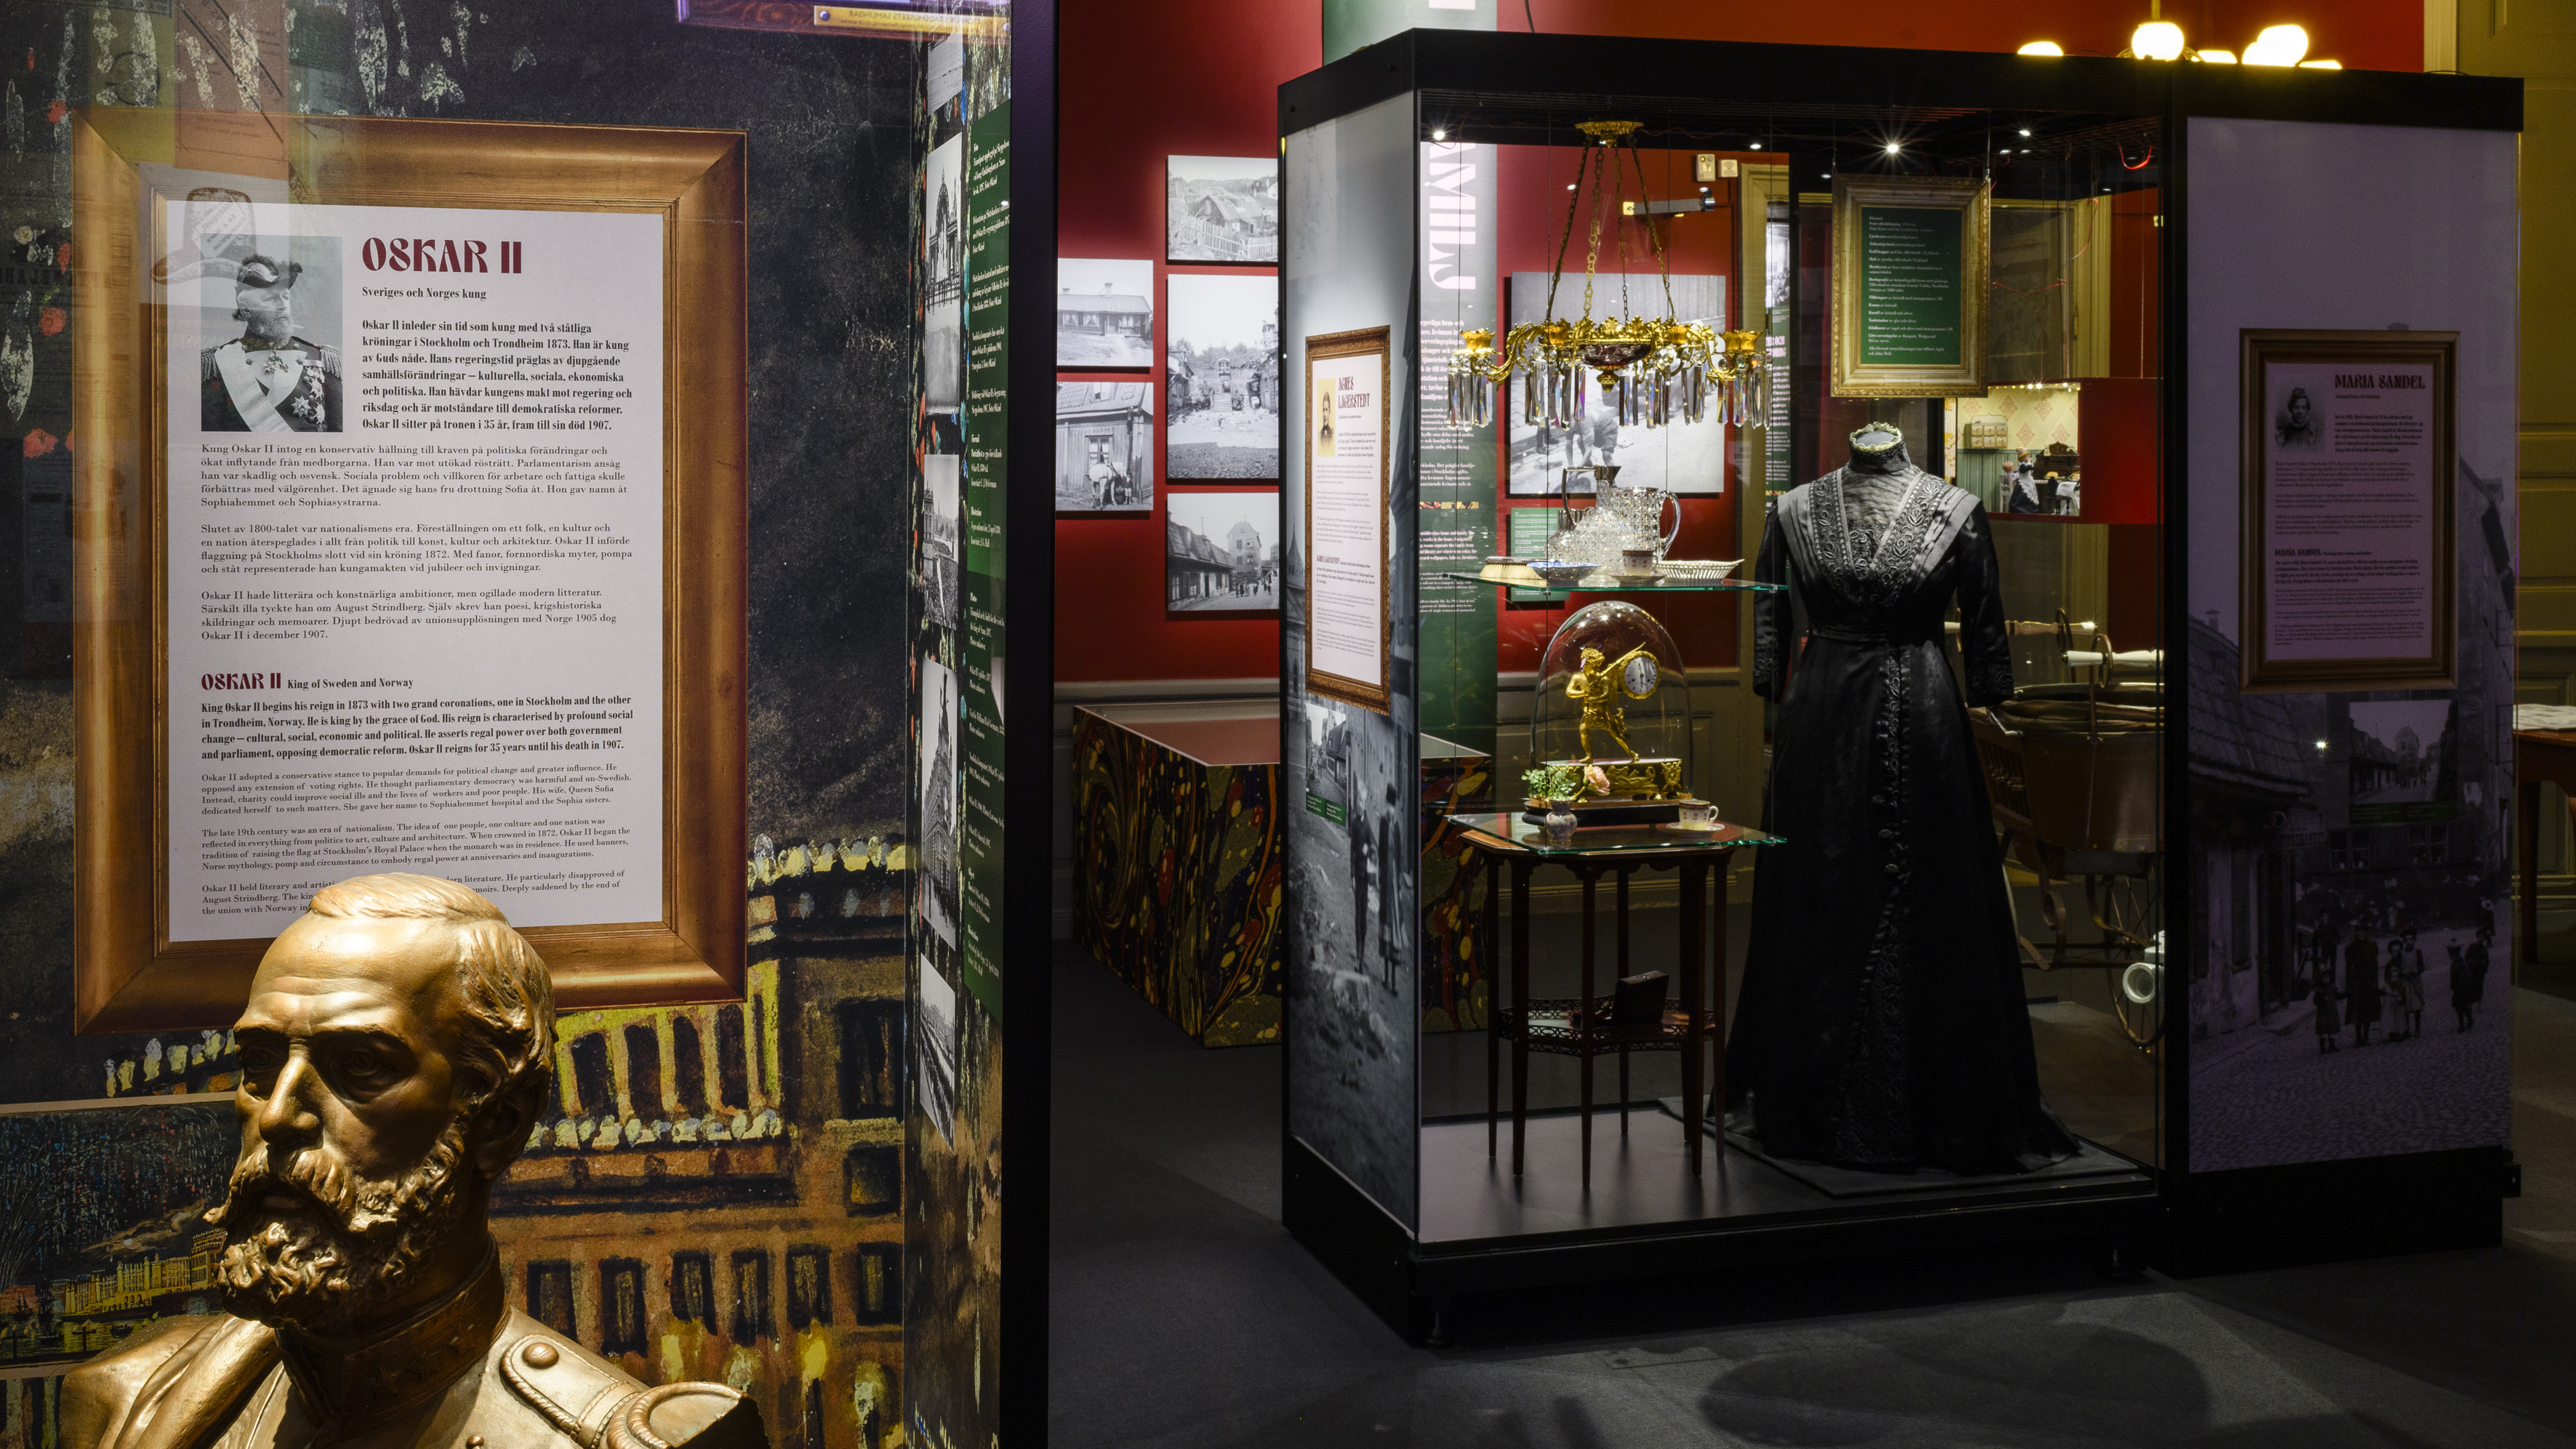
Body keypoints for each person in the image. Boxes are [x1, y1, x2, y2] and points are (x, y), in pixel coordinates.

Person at [64, 875, 763, 1449]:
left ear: (498, 1122)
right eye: (259, 1064)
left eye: (360, 1066)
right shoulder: (124, 1403)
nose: (277, 1116)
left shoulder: (608, 1438)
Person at [201, 254, 341, 433]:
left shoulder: (322, 358)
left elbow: (338, 435)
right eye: (270, 299)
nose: (283, 305)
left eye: (285, 297)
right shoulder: (216, 364)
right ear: (246, 309)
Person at [2345, 926, 2381, 1047]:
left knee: (2368, 1010)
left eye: (2363, 931)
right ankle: (2358, 1037)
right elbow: (2348, 968)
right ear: (2356, 932)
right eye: (2359, 931)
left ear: (2366, 932)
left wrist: (2375, 982)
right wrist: (2348, 985)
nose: (2361, 934)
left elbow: (2375, 966)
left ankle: (2366, 1037)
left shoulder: (2372, 946)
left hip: (2368, 981)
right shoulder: (2351, 948)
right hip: (2356, 981)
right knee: (2357, 1011)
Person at [2389, 927, 2428, 1040]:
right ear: (2404, 942)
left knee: (2417, 1007)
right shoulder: (2401, 954)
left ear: (2414, 940)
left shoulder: (2418, 952)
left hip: (2415, 983)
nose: (2409, 942)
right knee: (2406, 1007)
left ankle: (2417, 1028)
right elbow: (2397, 969)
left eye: (2411, 939)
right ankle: (2406, 1029)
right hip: (2405, 984)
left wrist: (2417, 970)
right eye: (2406, 940)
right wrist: (2402, 973)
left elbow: (2422, 967)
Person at [2455, 923, 2493, 1030]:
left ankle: (2479, 1005)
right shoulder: (2472, 947)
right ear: (2476, 937)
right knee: (2471, 987)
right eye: (2479, 937)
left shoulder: (2484, 949)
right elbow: (2466, 957)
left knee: (2480, 987)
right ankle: (2471, 1003)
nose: (2481, 939)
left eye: (2482, 937)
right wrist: (2469, 965)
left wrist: (2485, 969)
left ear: (2484, 939)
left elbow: (2487, 961)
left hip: (2480, 971)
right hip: (2472, 970)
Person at [2275, 385, 2322, 450]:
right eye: (2296, 407)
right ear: (2291, 409)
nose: (2300, 412)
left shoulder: (2314, 431)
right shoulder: (2285, 431)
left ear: (2307, 409)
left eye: (2303, 408)